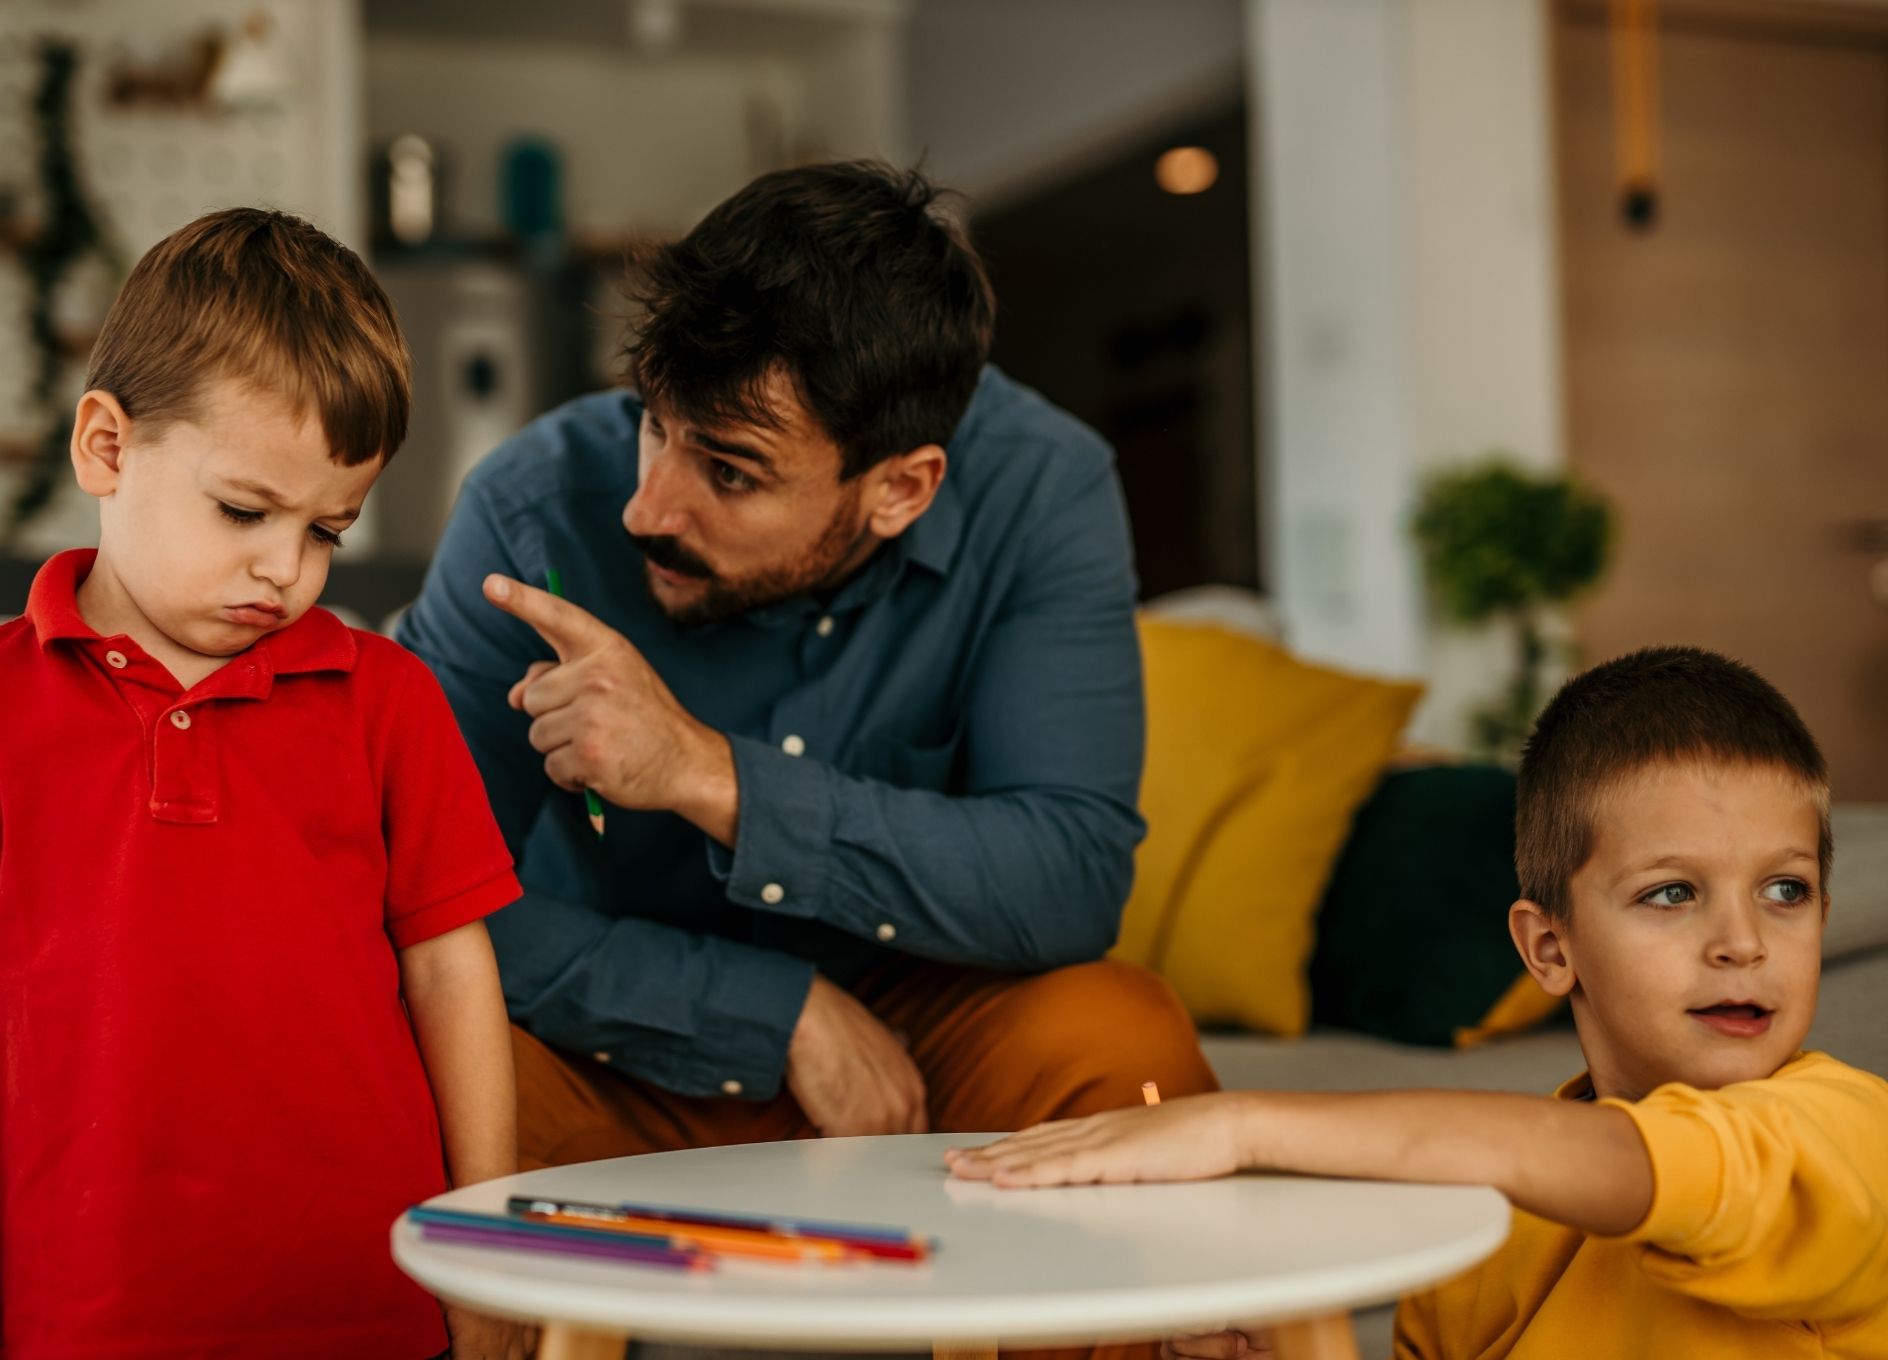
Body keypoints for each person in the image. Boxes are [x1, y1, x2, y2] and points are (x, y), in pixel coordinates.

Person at [397, 160, 1215, 1169]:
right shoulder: (529, 507)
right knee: (390, 1085)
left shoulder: (1041, 490)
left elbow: (1068, 878)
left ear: (901, 490)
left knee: (1119, 1039)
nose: (644, 509)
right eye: (652, 421)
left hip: (922, 1046)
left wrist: (711, 775)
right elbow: (419, 891)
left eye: (729, 471)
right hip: (610, 1035)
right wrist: (764, 1013)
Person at [0, 209, 528, 1360]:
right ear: (105, 446)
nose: (286, 568)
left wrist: (482, 1249)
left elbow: (450, 973)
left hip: (374, 1307)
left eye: (327, 528)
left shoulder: (389, 699)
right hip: (94, 1321)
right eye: (244, 510)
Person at [948, 646, 1888, 1359]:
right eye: (1673, 893)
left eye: (1786, 890)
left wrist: (1242, 1125)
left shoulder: (1847, 1137)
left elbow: (1639, 1165)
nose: (1744, 941)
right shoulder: (1478, 1230)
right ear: (1549, 949)